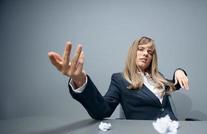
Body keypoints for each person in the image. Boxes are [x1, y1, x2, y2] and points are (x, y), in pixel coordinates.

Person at [48, 36, 189, 120]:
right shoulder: (120, 79)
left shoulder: (158, 78)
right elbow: (102, 110)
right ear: (133, 53)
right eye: (141, 49)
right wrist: (80, 80)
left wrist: (180, 71)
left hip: (173, 131)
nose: (146, 54)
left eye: (150, 52)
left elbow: (176, 84)